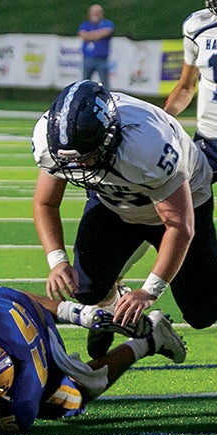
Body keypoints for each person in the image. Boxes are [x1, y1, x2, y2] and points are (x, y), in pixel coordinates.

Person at [32, 80, 217, 360]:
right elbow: (45, 202)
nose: (79, 167)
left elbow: (179, 225)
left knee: (202, 313)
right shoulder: (53, 140)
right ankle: (115, 303)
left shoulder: (148, 144)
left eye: (87, 157)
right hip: (115, 203)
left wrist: (149, 292)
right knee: (85, 289)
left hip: (182, 204)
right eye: (72, 161)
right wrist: (57, 261)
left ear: (109, 136)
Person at [0, 282, 186, 434]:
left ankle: (148, 341)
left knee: (74, 397)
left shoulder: (23, 402)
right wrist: (74, 312)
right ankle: (85, 313)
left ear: (1, 395)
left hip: (45, 351)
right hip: (5, 306)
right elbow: (13, 295)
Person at [164, 1, 217, 183]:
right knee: (184, 196)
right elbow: (186, 86)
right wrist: (162, 120)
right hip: (209, 139)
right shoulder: (198, 26)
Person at [78, 4, 114, 88]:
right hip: (88, 57)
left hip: (102, 59)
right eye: (93, 12)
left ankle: (107, 100)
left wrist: (90, 35)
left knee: (105, 83)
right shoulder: (85, 25)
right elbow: (83, 35)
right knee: (85, 83)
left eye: (97, 12)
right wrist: (97, 34)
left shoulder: (107, 23)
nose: (95, 14)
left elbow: (106, 32)